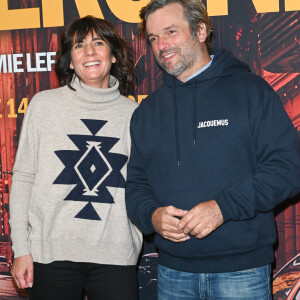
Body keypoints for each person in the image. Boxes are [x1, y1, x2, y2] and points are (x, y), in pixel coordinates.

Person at [125, 0, 300, 299]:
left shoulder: (250, 91)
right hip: (172, 274)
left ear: (201, 31)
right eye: (153, 38)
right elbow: (136, 187)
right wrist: (152, 216)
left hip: (242, 274)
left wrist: (223, 208)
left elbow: (289, 168)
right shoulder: (146, 113)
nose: (161, 45)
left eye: (170, 31)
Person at [9, 15, 142, 300]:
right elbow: (23, 179)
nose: (90, 52)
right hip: (51, 255)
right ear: (70, 61)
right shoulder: (44, 106)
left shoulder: (134, 115)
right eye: (79, 46)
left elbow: (143, 184)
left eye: (98, 43)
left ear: (114, 55)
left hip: (116, 255)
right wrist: (21, 249)